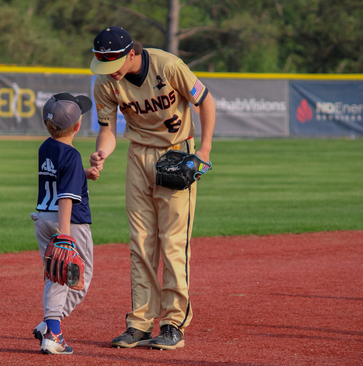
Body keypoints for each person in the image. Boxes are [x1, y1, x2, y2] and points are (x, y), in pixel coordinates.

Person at [89, 26, 216, 350]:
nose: (108, 72)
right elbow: (108, 131)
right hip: (138, 156)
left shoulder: (167, 65)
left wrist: (204, 151)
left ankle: (173, 323)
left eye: (112, 63)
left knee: (172, 240)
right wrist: (102, 152)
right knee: (141, 241)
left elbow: (205, 100)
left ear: (131, 53)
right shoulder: (106, 82)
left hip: (176, 153)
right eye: (102, 64)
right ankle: (140, 323)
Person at [30, 92, 99, 355]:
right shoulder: (71, 155)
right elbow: (66, 197)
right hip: (68, 223)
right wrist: (66, 236)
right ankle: (53, 332)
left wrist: (83, 174)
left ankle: (50, 323)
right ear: (78, 126)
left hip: (43, 219)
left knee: (55, 276)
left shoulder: (45, 146)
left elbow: (59, 177)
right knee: (77, 279)